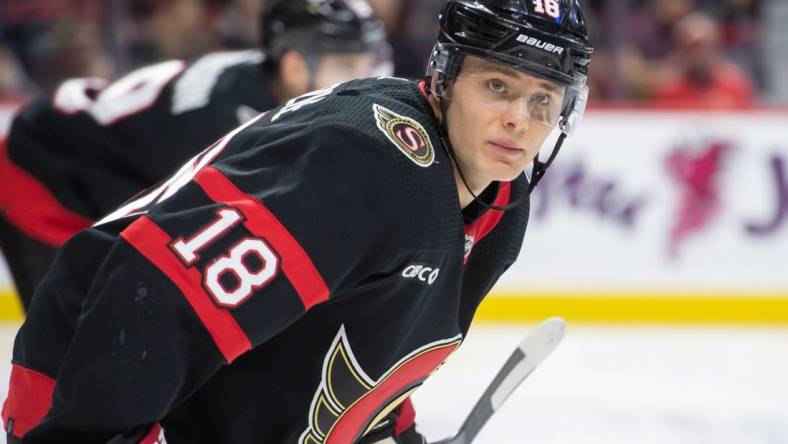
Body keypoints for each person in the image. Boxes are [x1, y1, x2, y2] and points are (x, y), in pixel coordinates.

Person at [3, 0, 593, 442]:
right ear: (444, 80)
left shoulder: (501, 201)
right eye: (497, 85)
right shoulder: (366, 162)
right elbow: (155, 292)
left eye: (545, 98)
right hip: (82, 390)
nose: (521, 118)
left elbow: (374, 354)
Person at [0, 0, 392, 312]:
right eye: (345, 64)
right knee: (72, 349)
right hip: (39, 174)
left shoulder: (260, 88)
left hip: (97, 167)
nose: (361, 78)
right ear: (292, 66)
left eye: (365, 62)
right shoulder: (225, 124)